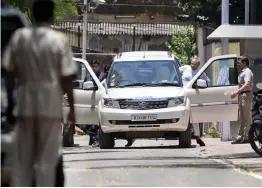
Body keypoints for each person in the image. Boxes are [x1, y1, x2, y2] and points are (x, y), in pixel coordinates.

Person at [2, 0, 77, 186]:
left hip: (25, 101)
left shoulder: (20, 37)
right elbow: (67, 77)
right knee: (48, 158)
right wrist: (73, 109)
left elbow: (10, 73)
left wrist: (11, 104)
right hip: (50, 104)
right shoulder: (59, 39)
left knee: (24, 157)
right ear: (52, 16)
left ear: (33, 16)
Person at [179, 56, 210, 147]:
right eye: (192, 63)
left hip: (193, 96)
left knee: (194, 117)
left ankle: (197, 136)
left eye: (195, 64)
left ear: (198, 65)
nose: (192, 66)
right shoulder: (185, 68)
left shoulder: (200, 73)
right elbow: (175, 73)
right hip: (182, 95)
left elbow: (208, 81)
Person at [231, 56, 253, 144]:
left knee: (246, 117)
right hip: (242, 95)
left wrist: (237, 92)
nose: (238, 64)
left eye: (239, 62)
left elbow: (247, 84)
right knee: (242, 117)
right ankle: (240, 137)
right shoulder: (242, 72)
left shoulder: (247, 72)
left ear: (244, 63)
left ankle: (247, 137)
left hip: (246, 95)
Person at [86, 60, 104, 147]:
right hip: (89, 100)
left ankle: (96, 139)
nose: (94, 68)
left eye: (96, 66)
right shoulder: (88, 76)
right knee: (89, 121)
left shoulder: (102, 76)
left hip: (99, 99)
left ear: (99, 66)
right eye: (93, 66)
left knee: (97, 121)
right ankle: (92, 139)